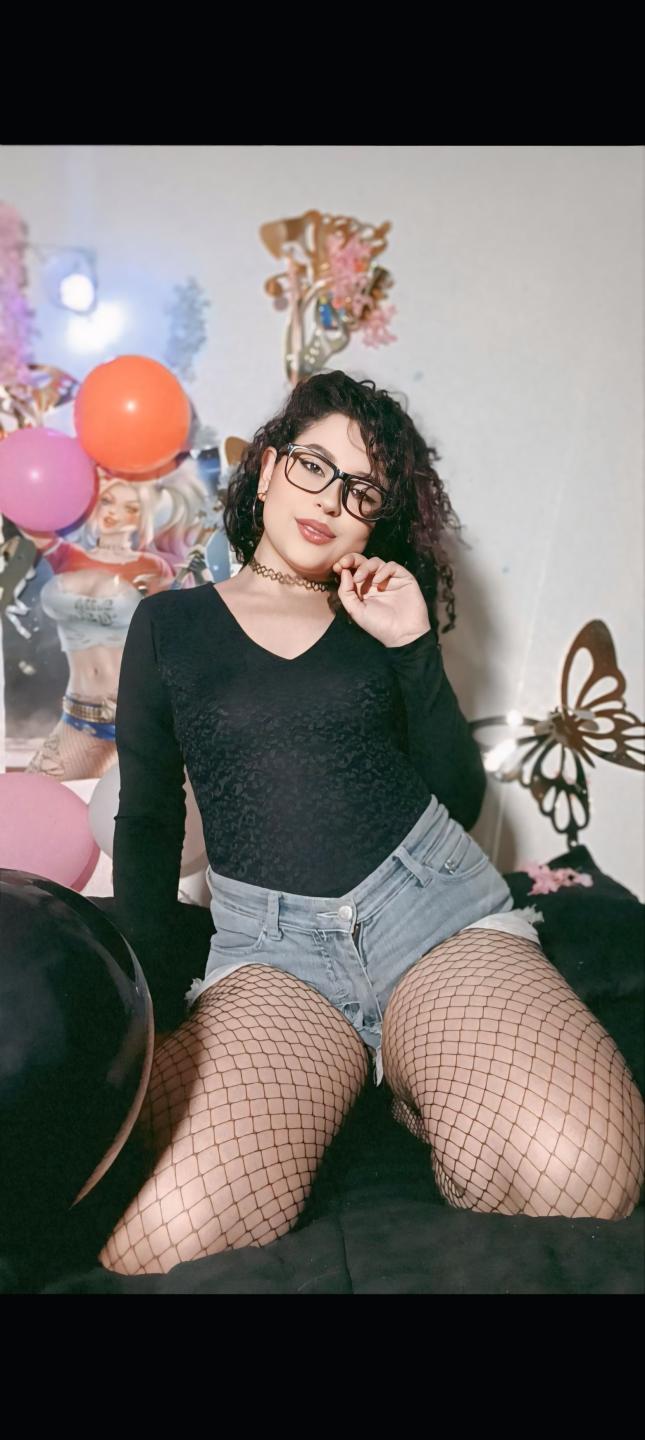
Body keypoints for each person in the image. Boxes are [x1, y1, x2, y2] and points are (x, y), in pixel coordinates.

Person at [104, 371, 644, 1275]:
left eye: (361, 490)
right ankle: (357, 1072)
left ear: (374, 520)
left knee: (576, 1176)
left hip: (433, 919)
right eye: (313, 466)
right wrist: (148, 1000)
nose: (330, 499)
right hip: (273, 957)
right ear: (267, 469)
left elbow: (457, 796)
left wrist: (412, 646)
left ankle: (410, 1073)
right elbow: (149, 821)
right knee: (162, 1238)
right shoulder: (169, 625)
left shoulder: (378, 615)